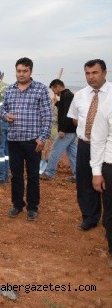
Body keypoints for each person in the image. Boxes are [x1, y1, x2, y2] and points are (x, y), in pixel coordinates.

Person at [1, 57, 52, 221]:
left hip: (33, 141)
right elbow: (2, 111)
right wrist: (5, 115)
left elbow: (47, 116)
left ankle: (32, 207)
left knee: (32, 176)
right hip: (14, 140)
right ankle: (17, 205)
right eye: (18, 71)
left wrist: (42, 138)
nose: (21, 74)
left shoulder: (40, 89)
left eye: (25, 71)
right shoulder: (9, 90)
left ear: (31, 71)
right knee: (15, 175)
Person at [68, 59, 110, 231]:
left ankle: (109, 221)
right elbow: (74, 118)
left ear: (104, 73)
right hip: (85, 146)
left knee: (107, 183)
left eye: (95, 72)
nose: (91, 77)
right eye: (87, 73)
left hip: (108, 147)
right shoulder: (80, 95)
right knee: (85, 182)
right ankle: (90, 217)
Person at [90, 75, 112, 268]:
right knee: (110, 212)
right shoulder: (107, 105)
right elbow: (97, 140)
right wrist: (97, 171)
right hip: (110, 166)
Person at [40, 79, 77, 182]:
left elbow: (68, 114)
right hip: (71, 131)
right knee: (73, 153)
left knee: (55, 151)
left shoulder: (66, 96)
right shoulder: (67, 96)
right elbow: (64, 109)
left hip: (66, 131)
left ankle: (49, 173)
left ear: (58, 87)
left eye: (53, 89)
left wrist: (63, 130)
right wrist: (56, 103)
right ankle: (78, 175)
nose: (54, 92)